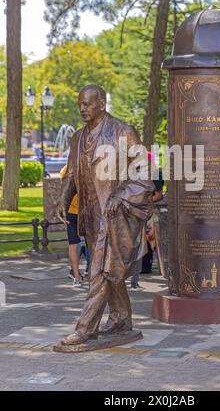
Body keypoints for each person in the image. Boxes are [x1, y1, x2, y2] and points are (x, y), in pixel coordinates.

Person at [56, 84, 154, 346]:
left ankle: (85, 328)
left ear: (102, 103)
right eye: (80, 104)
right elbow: (73, 175)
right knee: (111, 270)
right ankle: (121, 319)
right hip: (90, 215)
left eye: (87, 104)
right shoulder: (77, 138)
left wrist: (121, 195)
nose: (82, 109)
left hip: (115, 216)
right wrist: (63, 199)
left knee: (98, 271)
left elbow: (143, 174)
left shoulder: (123, 132)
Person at [130, 165, 164, 291]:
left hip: (141, 213)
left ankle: (134, 281)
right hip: (136, 213)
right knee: (137, 246)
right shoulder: (132, 173)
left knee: (140, 246)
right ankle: (133, 281)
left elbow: (158, 195)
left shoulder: (154, 174)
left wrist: (143, 201)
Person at [60, 165, 90, 287]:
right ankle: (79, 275)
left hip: (79, 212)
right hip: (80, 212)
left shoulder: (65, 170)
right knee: (83, 244)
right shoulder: (86, 168)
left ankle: (78, 276)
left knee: (76, 245)